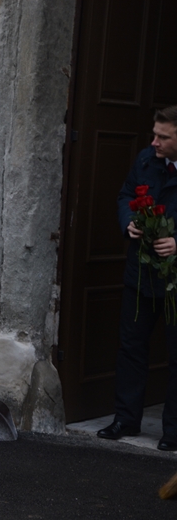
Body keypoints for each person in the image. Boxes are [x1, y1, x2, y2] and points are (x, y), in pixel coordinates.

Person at [99, 105, 177, 452]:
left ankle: (173, 430)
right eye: (154, 135)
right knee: (131, 348)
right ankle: (125, 418)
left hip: (175, 278)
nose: (154, 142)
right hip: (141, 273)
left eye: (163, 137)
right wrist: (128, 221)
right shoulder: (147, 159)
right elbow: (126, 195)